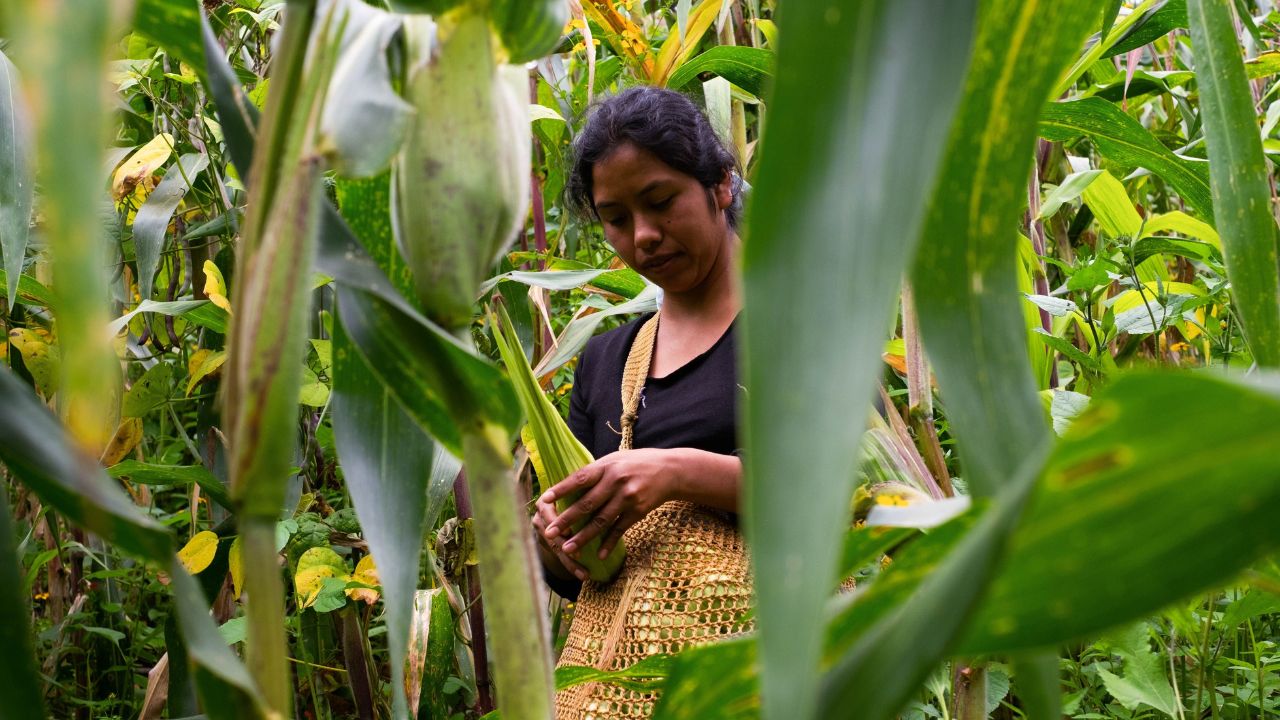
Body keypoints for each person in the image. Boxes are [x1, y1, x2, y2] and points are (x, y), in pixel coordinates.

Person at [531, 86, 752, 719]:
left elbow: (850, 488)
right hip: (629, 689)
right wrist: (557, 536)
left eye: (660, 202)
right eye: (617, 218)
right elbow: (572, 578)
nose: (644, 236)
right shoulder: (606, 362)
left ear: (720, 187)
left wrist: (676, 472)